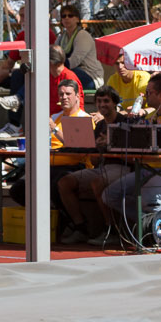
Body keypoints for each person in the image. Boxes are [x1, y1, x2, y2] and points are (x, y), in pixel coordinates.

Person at [103, 73, 161, 225]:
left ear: (160, 95)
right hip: (150, 169)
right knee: (109, 195)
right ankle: (149, 224)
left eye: (148, 93)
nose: (145, 96)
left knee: (147, 197)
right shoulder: (151, 117)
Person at [6, 79, 93, 221]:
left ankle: (75, 224)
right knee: (18, 189)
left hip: (74, 167)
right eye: (61, 94)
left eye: (68, 94)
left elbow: (78, 148)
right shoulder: (55, 117)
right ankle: (48, 217)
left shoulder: (84, 118)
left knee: (55, 186)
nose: (64, 97)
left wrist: (55, 129)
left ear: (77, 96)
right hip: (48, 165)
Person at [56, 86, 130, 245]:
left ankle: (112, 230)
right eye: (99, 101)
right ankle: (80, 227)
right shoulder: (100, 125)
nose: (102, 104)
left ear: (115, 103)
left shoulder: (125, 122)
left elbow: (131, 154)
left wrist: (111, 143)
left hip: (123, 167)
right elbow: (95, 161)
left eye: (106, 101)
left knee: (97, 183)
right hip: (102, 167)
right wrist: (97, 147)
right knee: (64, 182)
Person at [0, 6, 56, 137]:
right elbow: (9, 62)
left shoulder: (47, 34)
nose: (21, 19)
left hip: (39, 77)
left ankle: (14, 125)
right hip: (25, 74)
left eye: (24, 16)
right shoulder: (22, 35)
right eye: (20, 16)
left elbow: (40, 65)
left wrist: (8, 73)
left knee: (16, 75)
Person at [56, 4, 104, 89]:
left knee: (66, 74)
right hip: (69, 71)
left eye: (70, 15)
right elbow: (54, 54)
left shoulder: (83, 35)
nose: (66, 18)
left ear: (77, 19)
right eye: (64, 16)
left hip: (90, 76)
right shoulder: (61, 37)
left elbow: (73, 62)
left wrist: (55, 65)